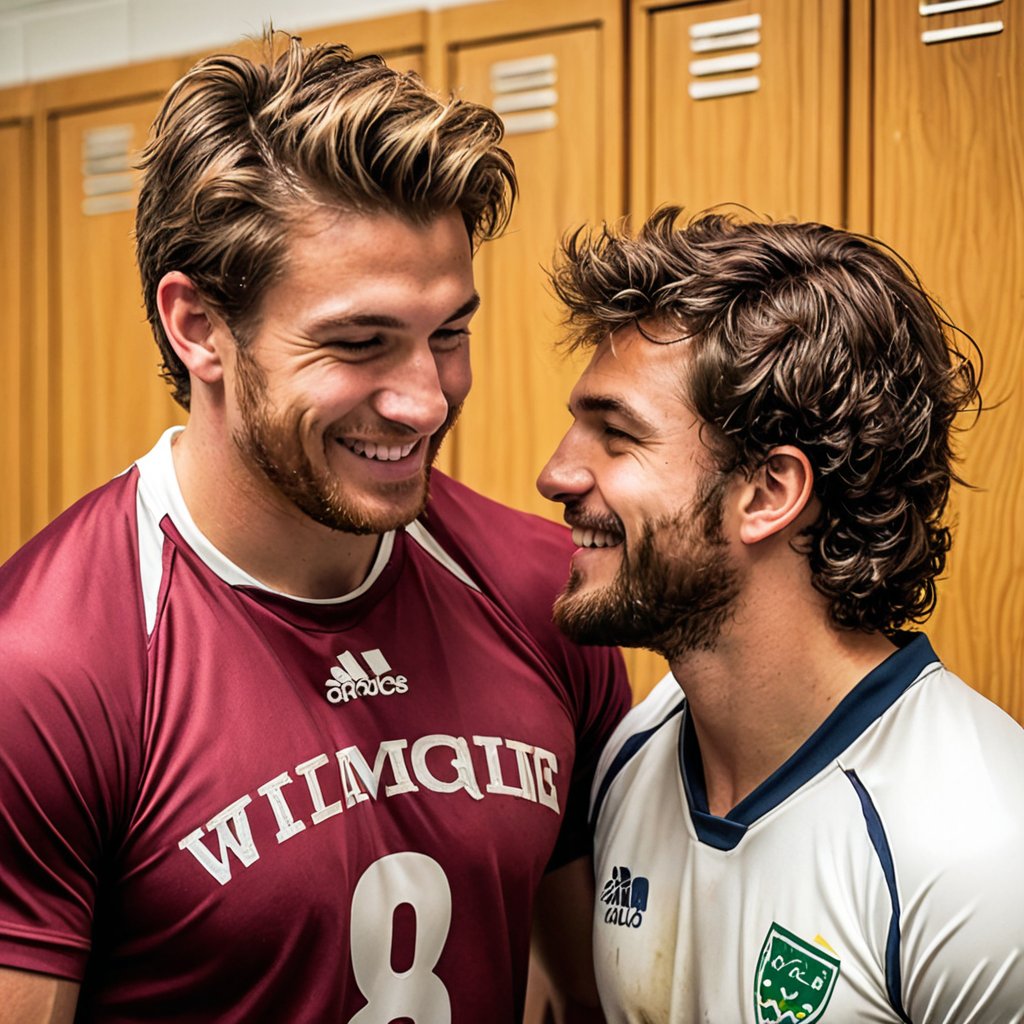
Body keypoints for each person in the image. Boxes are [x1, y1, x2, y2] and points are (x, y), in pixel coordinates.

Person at [0, 35, 630, 1023]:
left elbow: (594, 994)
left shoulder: (540, 592)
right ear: (198, 325)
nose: (426, 401)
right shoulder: (48, 669)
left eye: (449, 333)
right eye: (358, 342)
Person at [536, 208, 1024, 1023]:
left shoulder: (980, 850)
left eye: (615, 436)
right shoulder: (634, 758)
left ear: (767, 493)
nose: (556, 473)